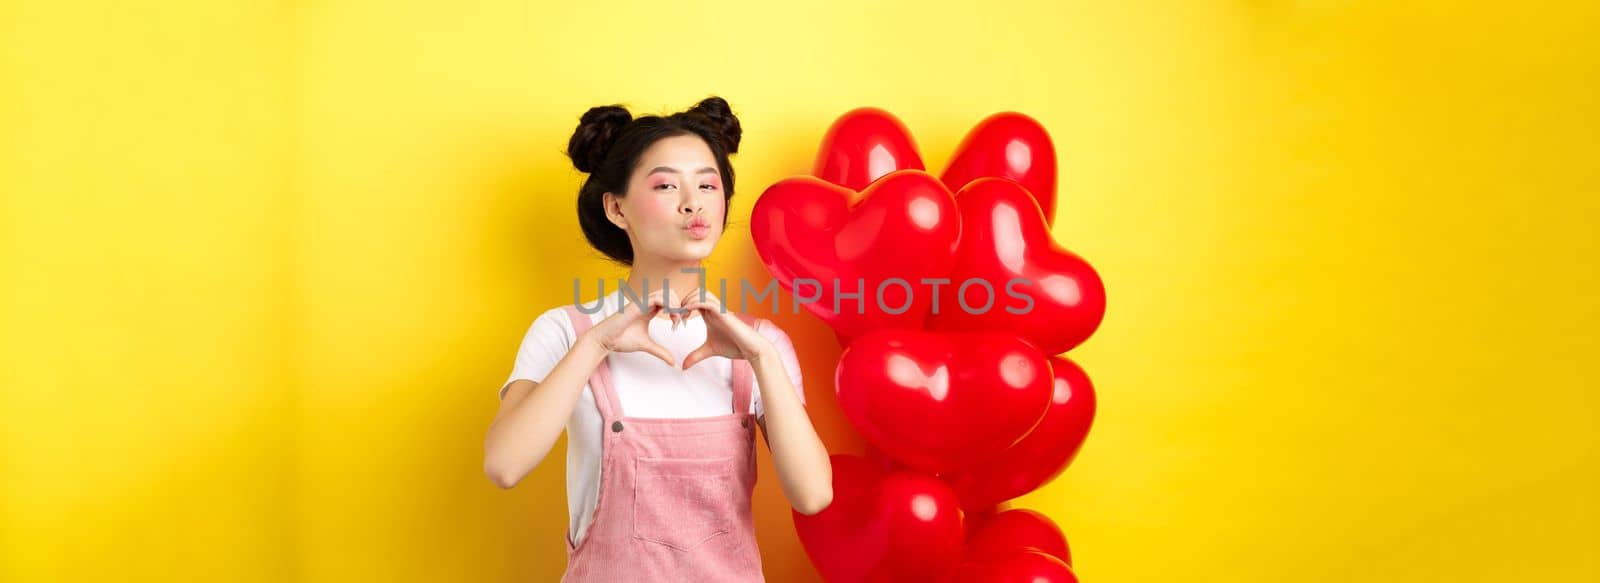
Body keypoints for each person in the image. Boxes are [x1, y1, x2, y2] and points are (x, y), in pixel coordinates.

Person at [483, 96, 832, 582]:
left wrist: (761, 360)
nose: (693, 202)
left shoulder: (758, 343)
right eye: (666, 185)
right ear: (616, 208)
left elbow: (813, 495)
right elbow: (504, 465)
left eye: (708, 185)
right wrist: (596, 347)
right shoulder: (566, 332)